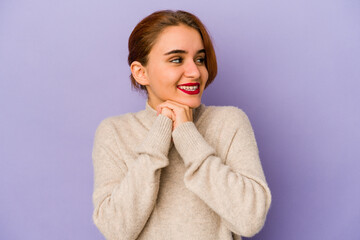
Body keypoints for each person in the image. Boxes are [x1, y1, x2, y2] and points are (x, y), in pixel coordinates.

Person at [91, 10, 272, 240]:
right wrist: (160, 134)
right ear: (140, 72)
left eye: (200, 59)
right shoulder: (115, 132)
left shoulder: (229, 122)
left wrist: (188, 135)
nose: (195, 72)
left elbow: (249, 219)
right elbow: (116, 230)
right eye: (176, 59)